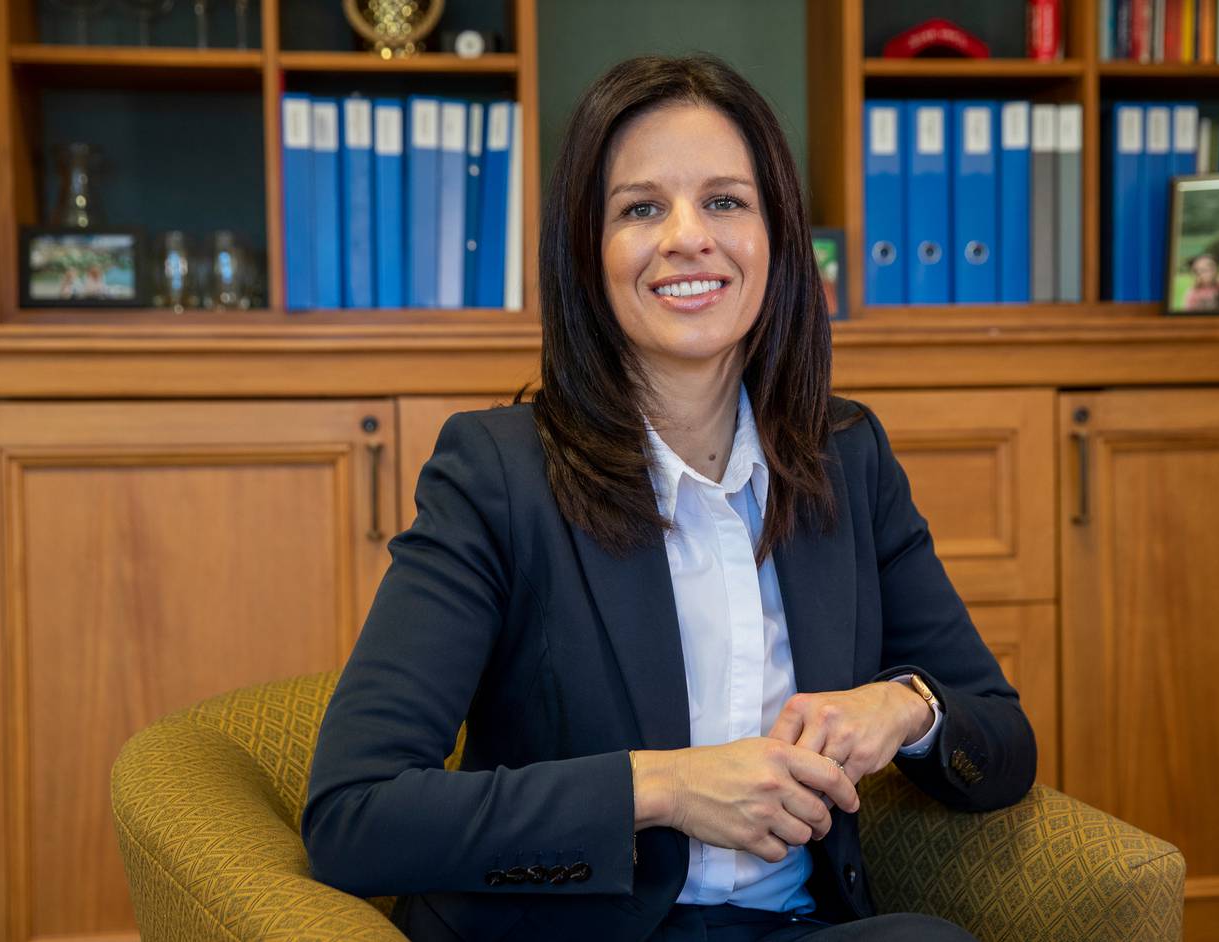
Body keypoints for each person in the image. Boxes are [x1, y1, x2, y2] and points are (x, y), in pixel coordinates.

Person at [302, 54, 1035, 942]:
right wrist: (668, 787)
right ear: (587, 251)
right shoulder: (496, 475)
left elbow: (1001, 743)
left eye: (726, 201)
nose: (689, 236)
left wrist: (908, 708)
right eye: (641, 208)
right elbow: (355, 815)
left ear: (778, 239)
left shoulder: (847, 458)